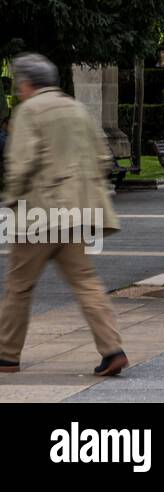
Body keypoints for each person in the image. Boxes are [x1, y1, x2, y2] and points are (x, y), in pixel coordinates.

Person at [0, 53, 127, 376]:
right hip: (76, 215)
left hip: (38, 215)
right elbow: (102, 157)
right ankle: (112, 350)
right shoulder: (77, 109)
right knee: (86, 282)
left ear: (26, 84)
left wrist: (10, 200)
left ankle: (7, 354)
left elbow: (21, 163)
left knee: (19, 286)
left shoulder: (29, 111)